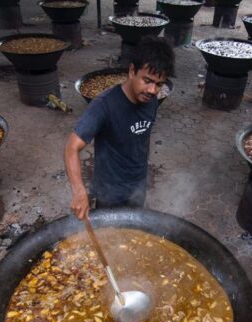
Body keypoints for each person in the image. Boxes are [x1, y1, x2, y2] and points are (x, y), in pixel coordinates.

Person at [63, 36, 175, 219]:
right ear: (132, 71)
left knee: (135, 235)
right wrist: (79, 191)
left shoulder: (152, 100)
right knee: (109, 238)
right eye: (147, 80)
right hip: (109, 191)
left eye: (159, 84)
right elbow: (71, 147)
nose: (152, 90)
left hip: (138, 186)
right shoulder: (104, 105)